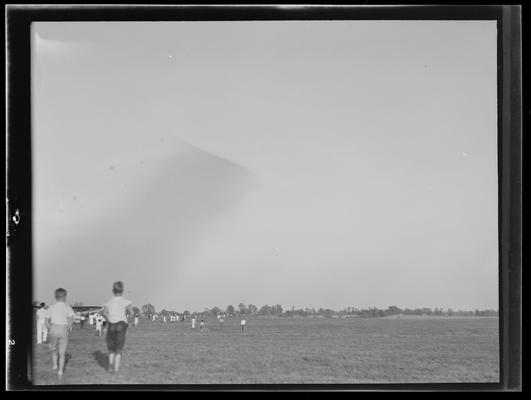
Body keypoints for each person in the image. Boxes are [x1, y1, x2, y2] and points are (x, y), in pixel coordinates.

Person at [102, 281, 133, 373]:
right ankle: (116, 369)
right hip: (121, 325)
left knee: (111, 348)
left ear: (113, 290)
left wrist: (109, 319)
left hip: (111, 325)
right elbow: (131, 312)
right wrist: (128, 322)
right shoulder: (126, 302)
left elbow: (104, 313)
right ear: (122, 290)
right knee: (118, 349)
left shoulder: (109, 302)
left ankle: (110, 364)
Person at [45, 288, 75, 377]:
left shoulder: (51, 307)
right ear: (65, 297)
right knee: (62, 352)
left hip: (53, 328)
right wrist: (68, 328)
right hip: (63, 329)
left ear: (55, 297)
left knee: (53, 349)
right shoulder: (67, 307)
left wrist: (50, 328)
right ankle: (60, 371)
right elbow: (71, 320)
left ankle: (54, 365)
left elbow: (46, 321)